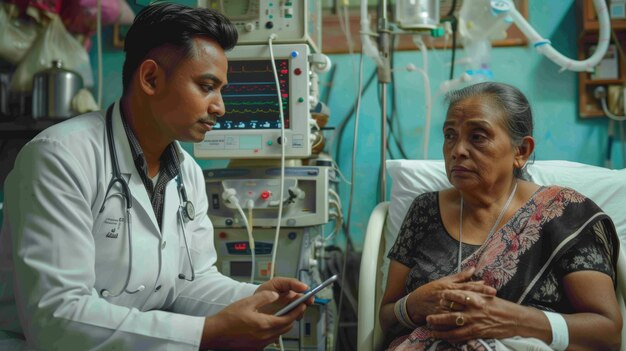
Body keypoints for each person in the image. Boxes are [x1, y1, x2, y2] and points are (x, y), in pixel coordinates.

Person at [0, 3, 312, 350]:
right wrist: (207, 333)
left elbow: (190, 283)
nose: (220, 107)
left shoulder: (186, 173)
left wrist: (256, 297)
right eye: (207, 86)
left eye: (221, 90)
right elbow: (57, 317)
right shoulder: (60, 158)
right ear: (150, 78)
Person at [379, 82, 622, 350]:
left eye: (478, 137)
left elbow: (606, 333)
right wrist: (412, 305)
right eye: (450, 135)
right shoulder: (424, 211)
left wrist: (512, 320)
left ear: (521, 152)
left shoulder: (564, 213)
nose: (457, 150)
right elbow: (387, 317)